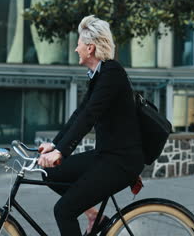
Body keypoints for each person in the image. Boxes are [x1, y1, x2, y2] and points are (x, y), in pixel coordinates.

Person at [37, 15, 144, 236]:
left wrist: (61, 151)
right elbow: (80, 114)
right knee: (50, 174)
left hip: (121, 161)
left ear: (90, 48)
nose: (76, 49)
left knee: (63, 211)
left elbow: (89, 117)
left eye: (78, 44)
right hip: (106, 155)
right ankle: (94, 217)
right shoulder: (99, 75)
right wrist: (54, 146)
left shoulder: (112, 73)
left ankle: (93, 218)